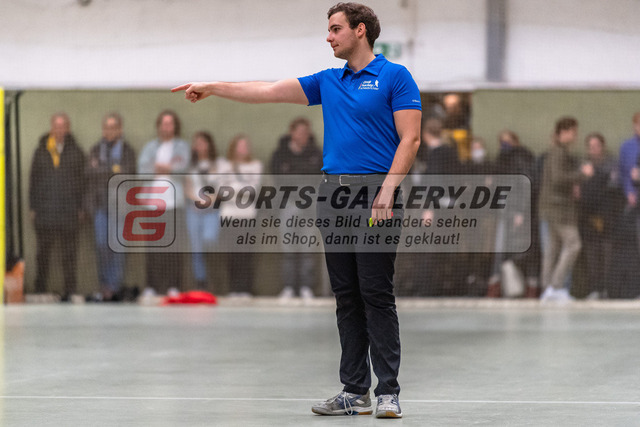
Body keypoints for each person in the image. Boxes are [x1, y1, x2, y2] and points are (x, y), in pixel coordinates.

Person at [172, 2, 421, 418]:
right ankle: (354, 390)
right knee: (346, 296)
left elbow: (410, 139)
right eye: (329, 29)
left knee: (375, 293)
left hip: (376, 194)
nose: (329, 36)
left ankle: (388, 392)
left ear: (360, 30)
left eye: (335, 29)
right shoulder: (328, 81)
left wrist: (388, 190)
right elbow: (268, 91)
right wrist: (213, 86)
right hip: (332, 196)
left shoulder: (395, 76)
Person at [29, 112, 86, 301]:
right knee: (43, 254)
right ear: (51, 128)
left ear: (68, 129)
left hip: (69, 211)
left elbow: (83, 181)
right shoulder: (42, 150)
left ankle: (70, 290)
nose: (59, 130)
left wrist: (81, 207)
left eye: (63, 126)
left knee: (69, 254)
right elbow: (33, 180)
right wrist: (33, 207)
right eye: (56, 126)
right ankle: (40, 290)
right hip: (45, 210)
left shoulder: (76, 152)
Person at [538, 117, 593, 302]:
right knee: (573, 244)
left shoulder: (558, 152)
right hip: (559, 209)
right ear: (565, 132)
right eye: (574, 132)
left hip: (552, 208)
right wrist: (582, 175)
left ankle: (548, 289)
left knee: (552, 249)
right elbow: (558, 178)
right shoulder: (558, 153)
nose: (576, 136)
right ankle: (556, 285)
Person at [137, 110, 191, 298]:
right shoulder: (150, 147)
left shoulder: (182, 146)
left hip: (175, 203)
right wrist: (166, 167)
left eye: (170, 123)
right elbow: (143, 170)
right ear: (159, 126)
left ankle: (173, 285)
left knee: (174, 247)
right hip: (152, 204)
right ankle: (152, 286)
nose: (167, 127)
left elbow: (183, 168)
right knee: (153, 247)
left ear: (175, 126)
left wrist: (162, 167)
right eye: (164, 123)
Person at [85, 112, 136, 301]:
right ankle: (104, 285)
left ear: (120, 129)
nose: (109, 131)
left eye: (113, 127)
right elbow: (89, 172)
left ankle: (114, 287)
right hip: (100, 205)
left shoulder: (127, 151)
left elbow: (128, 173)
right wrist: (112, 169)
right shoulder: (95, 149)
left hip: (120, 207)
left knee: (118, 247)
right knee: (101, 245)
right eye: (106, 127)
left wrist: (102, 169)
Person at [270, 117, 323, 301]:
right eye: (299, 132)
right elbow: (278, 178)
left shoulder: (316, 153)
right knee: (288, 248)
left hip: (309, 205)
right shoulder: (280, 154)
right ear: (291, 132)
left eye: (306, 132)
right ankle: (289, 287)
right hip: (287, 204)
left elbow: (318, 178)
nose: (303, 135)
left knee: (308, 247)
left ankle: (307, 287)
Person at [487, 130, 540, 298]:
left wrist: (520, 211)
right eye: (502, 141)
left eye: (507, 141)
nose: (504, 145)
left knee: (524, 249)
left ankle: (530, 286)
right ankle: (499, 284)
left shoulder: (522, 158)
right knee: (502, 249)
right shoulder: (502, 159)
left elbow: (525, 184)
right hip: (505, 211)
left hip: (519, 212)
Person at [218, 134, 263, 297]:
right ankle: (233, 289)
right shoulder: (224, 165)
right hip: (229, 215)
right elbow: (222, 190)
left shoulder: (255, 165)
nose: (243, 149)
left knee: (246, 253)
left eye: (246, 146)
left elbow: (253, 190)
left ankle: (245, 289)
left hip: (248, 215)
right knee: (232, 254)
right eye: (240, 146)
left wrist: (234, 187)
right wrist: (240, 189)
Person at [578, 133, 618, 299]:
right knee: (591, 253)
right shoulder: (583, 165)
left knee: (607, 252)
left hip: (607, 216)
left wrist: (594, 179)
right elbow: (580, 191)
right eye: (590, 146)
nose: (593, 149)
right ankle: (594, 289)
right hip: (588, 215)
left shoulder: (611, 164)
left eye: (596, 146)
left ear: (602, 146)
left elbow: (612, 187)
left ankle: (607, 289)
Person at [184, 131, 223, 290]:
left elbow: (222, 187)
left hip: (212, 210)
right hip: (194, 210)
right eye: (196, 143)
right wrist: (196, 199)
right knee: (196, 248)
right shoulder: (191, 165)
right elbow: (187, 187)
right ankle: (201, 282)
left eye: (202, 142)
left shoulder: (218, 164)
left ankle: (215, 280)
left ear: (209, 144)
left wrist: (210, 200)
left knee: (210, 241)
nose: (199, 146)